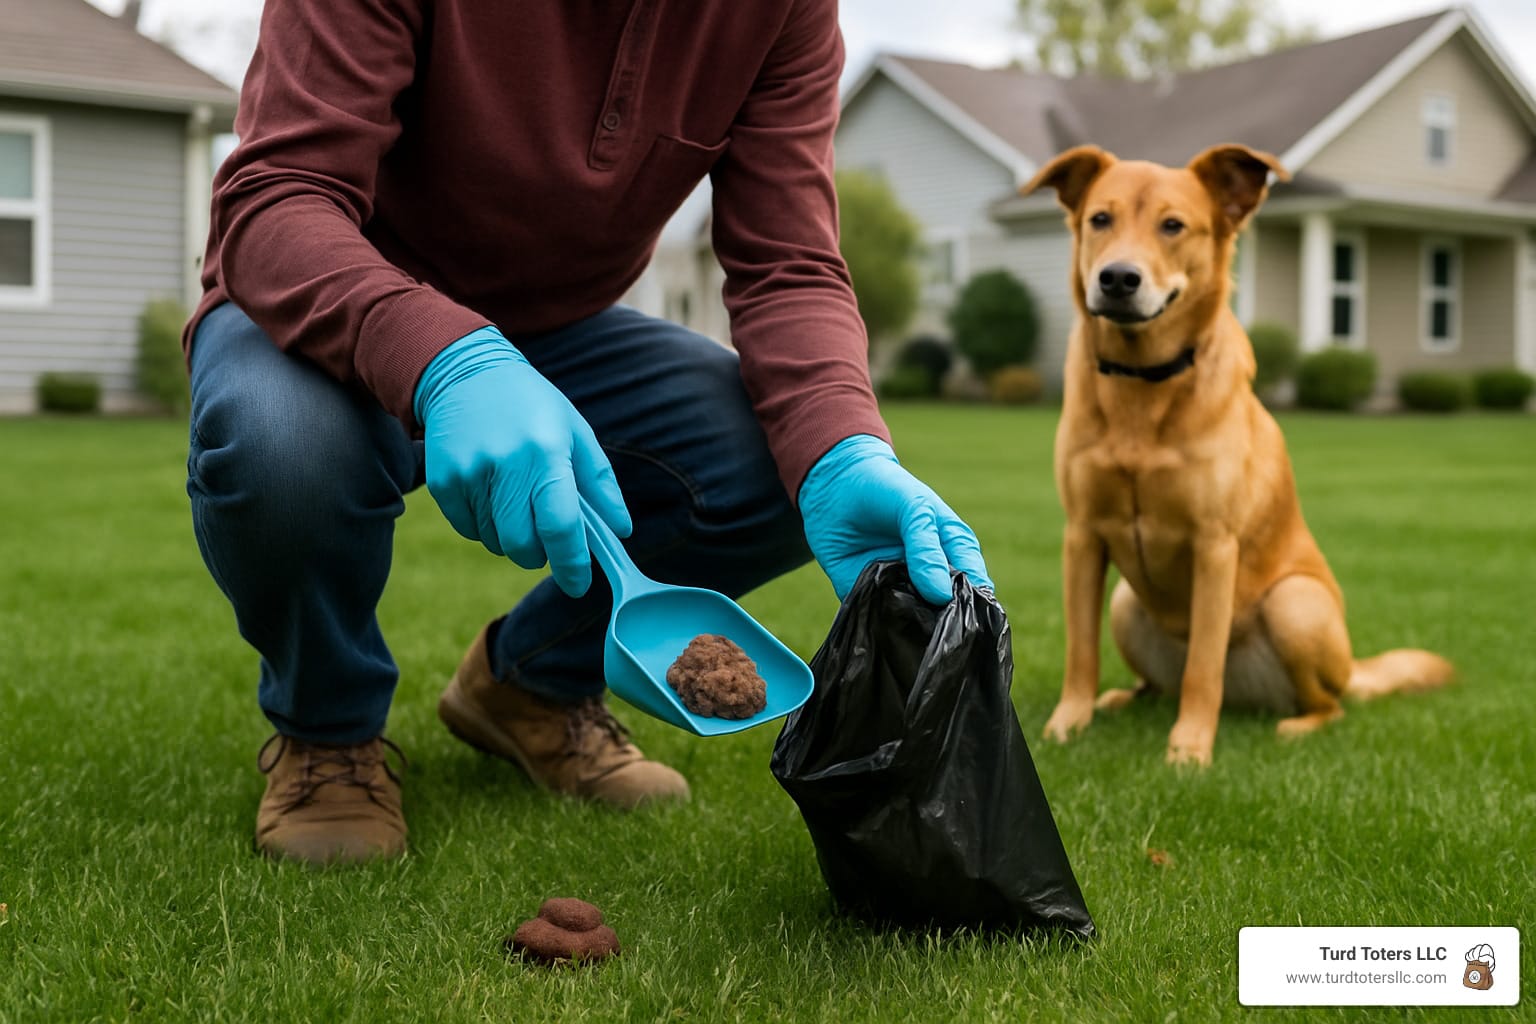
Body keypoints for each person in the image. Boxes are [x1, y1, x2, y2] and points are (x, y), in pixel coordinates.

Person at [185, 0, 992, 866]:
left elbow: (790, 263)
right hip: (321, 302)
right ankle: (328, 732)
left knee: (785, 457)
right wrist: (449, 360)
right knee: (283, 445)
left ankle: (531, 686)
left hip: (554, 330)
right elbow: (275, 199)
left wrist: (844, 449)